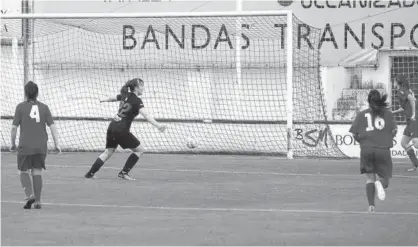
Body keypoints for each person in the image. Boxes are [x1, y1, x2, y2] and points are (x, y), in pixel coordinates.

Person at [85, 78, 166, 180]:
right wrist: (158, 125)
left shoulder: (125, 95)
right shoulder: (137, 101)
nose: (143, 88)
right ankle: (124, 173)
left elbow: (112, 98)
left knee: (108, 152)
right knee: (140, 150)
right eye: (142, 86)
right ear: (136, 88)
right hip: (121, 130)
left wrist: (103, 99)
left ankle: (90, 174)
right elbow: (146, 115)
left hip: (112, 127)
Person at [10, 81, 61, 209]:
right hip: (41, 146)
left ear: (25, 94)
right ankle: (38, 201)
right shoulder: (44, 107)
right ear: (37, 93)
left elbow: (14, 128)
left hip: (25, 145)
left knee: (23, 171)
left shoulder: (20, 107)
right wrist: (57, 144)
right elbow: (53, 126)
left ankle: (29, 195)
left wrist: (12, 144)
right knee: (37, 171)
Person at [349, 89, 397, 213]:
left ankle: (371, 206)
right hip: (382, 150)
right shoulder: (388, 114)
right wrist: (387, 138)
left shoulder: (362, 114)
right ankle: (380, 184)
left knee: (370, 179)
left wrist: (362, 142)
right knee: (385, 179)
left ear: (368, 101)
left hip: (367, 150)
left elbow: (354, 134)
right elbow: (394, 131)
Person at [392, 75, 418, 172]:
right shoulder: (403, 90)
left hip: (414, 119)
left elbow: (411, 99)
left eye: (394, 81)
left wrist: (414, 113)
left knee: (416, 143)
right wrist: (393, 112)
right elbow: (404, 107)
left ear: (398, 82)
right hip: (410, 121)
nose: (393, 83)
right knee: (404, 143)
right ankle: (416, 164)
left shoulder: (401, 90)